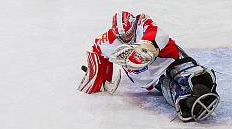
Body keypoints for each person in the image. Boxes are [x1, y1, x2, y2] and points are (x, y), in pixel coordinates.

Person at [79, 11, 219, 121]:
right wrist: (100, 78)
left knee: (191, 77)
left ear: (134, 25)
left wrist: (147, 46)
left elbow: (158, 34)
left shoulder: (142, 22)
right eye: (122, 37)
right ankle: (190, 98)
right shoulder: (107, 41)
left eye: (129, 34)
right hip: (153, 80)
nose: (126, 39)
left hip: (170, 61)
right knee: (177, 94)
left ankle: (200, 87)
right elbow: (96, 51)